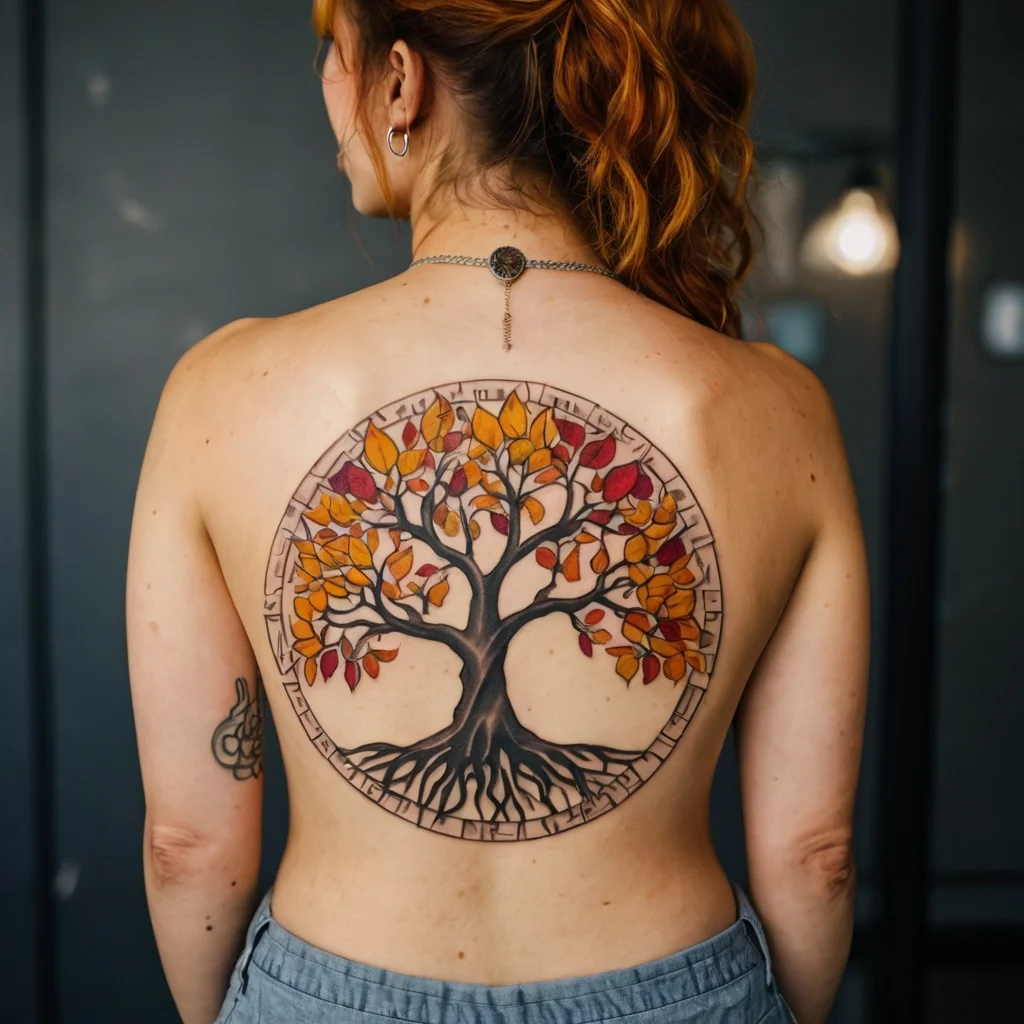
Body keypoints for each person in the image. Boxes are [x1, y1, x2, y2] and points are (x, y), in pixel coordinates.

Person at [126, 1, 869, 1022]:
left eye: (328, 59)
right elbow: (814, 856)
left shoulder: (222, 387)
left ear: (400, 80)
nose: (324, 94)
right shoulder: (777, 408)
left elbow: (189, 846)